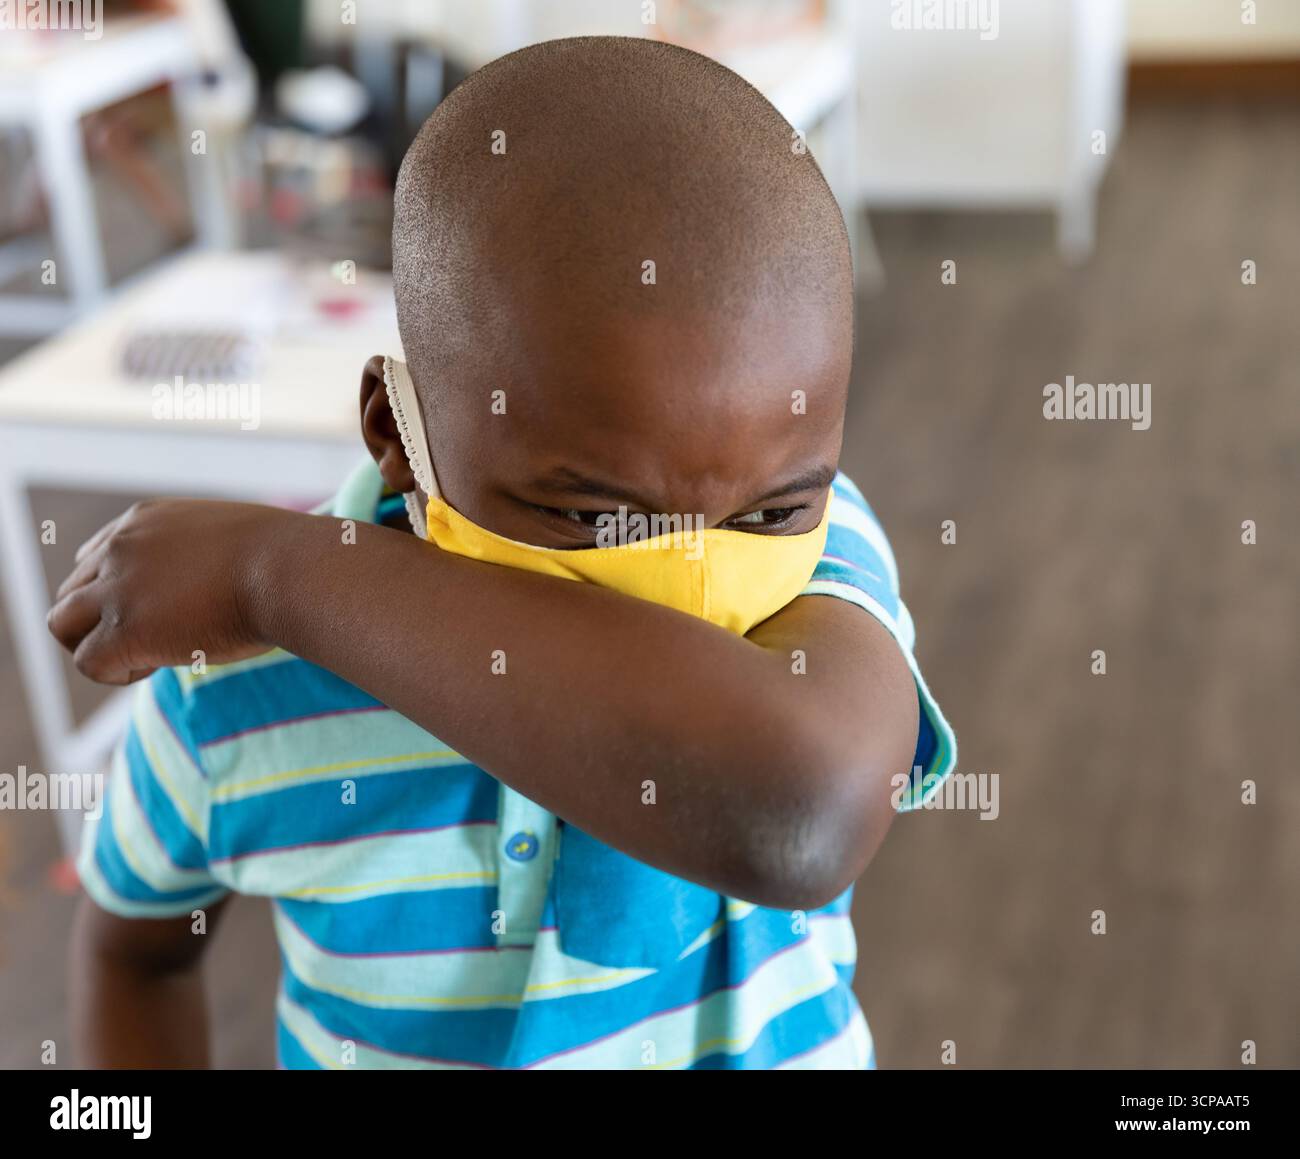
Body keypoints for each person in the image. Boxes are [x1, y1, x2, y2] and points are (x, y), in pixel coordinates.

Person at [49, 36, 955, 1069]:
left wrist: (274, 572)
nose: (685, 592)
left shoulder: (830, 554)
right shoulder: (236, 697)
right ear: (397, 433)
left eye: (765, 514)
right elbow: (138, 952)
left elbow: (800, 812)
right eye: (590, 518)